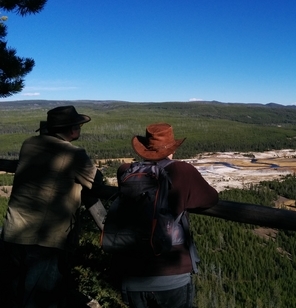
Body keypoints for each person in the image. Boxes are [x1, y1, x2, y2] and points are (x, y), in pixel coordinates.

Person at [0, 105, 103, 307]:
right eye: (79, 126)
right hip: (46, 238)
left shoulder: (29, 143)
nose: (80, 129)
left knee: (15, 291)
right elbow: (96, 182)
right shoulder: (74, 153)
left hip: (13, 231)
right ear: (72, 129)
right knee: (42, 298)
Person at [113, 123, 219, 308]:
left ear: (144, 149)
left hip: (131, 271)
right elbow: (211, 198)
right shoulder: (181, 171)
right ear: (172, 149)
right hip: (171, 273)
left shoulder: (125, 171)